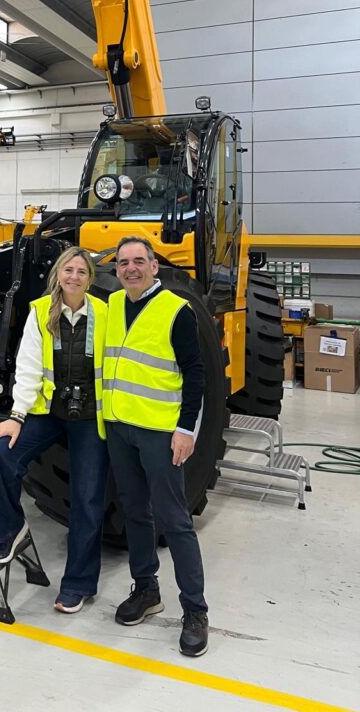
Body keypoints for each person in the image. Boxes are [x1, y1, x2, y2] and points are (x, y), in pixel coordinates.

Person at [0, 246, 109, 614]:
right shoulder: (40, 312)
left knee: (86, 500)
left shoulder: (105, 313)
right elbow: (28, 368)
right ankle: (8, 531)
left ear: (90, 279)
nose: (74, 277)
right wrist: (16, 416)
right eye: (68, 270)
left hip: (90, 416)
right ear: (58, 274)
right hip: (49, 412)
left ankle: (79, 585)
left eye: (81, 272)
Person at [102, 235, 209, 657]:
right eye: (123, 262)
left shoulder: (176, 310)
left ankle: (195, 610)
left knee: (174, 520)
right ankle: (146, 589)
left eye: (138, 261)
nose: (130, 268)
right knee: (134, 512)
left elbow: (195, 375)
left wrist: (186, 430)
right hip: (120, 428)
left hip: (160, 434)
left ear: (153, 266)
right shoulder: (112, 304)